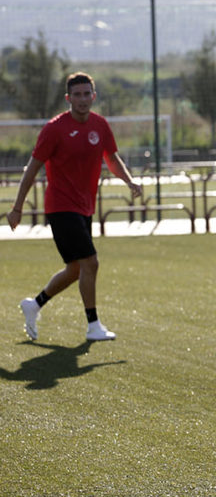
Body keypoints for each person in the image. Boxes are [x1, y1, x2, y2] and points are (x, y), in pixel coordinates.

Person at [9, 71, 142, 342]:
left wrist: (129, 181)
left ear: (94, 96)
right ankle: (93, 325)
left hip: (84, 207)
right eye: (77, 95)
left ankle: (34, 305)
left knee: (76, 269)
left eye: (86, 94)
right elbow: (32, 169)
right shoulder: (54, 129)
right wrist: (17, 207)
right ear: (68, 98)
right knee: (91, 262)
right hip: (60, 207)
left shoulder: (100, 125)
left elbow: (112, 158)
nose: (82, 99)